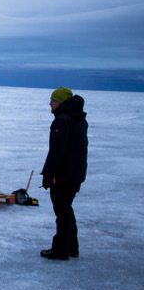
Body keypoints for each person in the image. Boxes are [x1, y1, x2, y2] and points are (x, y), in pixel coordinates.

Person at [40, 87, 88, 260]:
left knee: (62, 211)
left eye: (53, 100)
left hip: (64, 174)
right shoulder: (79, 120)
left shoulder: (62, 121)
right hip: (76, 172)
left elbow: (57, 151)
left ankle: (61, 250)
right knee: (66, 209)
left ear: (60, 102)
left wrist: (48, 174)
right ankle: (72, 247)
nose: (50, 104)